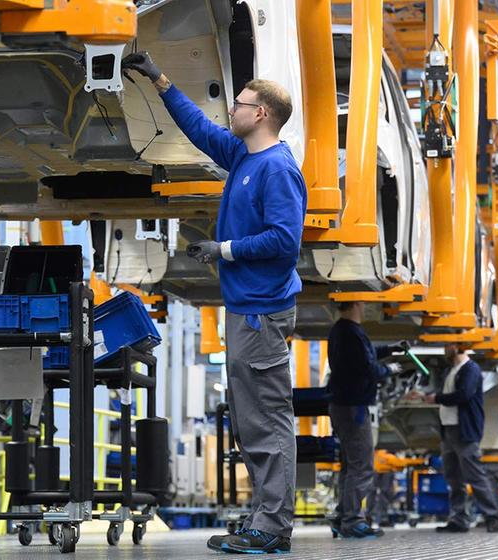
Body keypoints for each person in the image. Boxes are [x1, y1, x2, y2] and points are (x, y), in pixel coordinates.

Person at [124, 51, 304, 554]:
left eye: (242, 104)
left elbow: (285, 241)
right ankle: (265, 518)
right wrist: (160, 80)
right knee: (252, 423)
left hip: (261, 313)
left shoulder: (277, 169)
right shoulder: (246, 156)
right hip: (247, 309)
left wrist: (223, 249)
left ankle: (273, 527)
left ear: (262, 114)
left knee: (267, 421)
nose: (233, 110)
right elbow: (200, 130)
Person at [326, 300, 407, 538]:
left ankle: (344, 517)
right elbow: (366, 368)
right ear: (358, 303)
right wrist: (389, 371)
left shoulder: (343, 330)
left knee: (351, 465)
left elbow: (365, 356)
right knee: (362, 465)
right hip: (353, 407)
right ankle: (352, 521)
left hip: (344, 405)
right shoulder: (349, 332)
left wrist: (390, 349)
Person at [419, 343, 498, 533]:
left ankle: (492, 516)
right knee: (453, 477)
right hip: (448, 430)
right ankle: (459, 519)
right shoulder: (452, 370)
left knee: (475, 474)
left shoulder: (471, 369)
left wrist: (437, 399)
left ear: (459, 346)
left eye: (449, 345)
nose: (445, 348)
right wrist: (430, 397)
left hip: (464, 431)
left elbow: (464, 394)